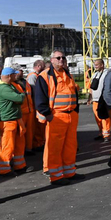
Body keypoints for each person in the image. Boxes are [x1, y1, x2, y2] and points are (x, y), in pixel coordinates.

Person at [34, 51, 83, 186]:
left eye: (63, 58)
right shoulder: (45, 76)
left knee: (70, 146)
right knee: (55, 147)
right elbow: (39, 98)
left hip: (71, 115)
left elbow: (73, 92)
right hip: (56, 116)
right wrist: (48, 115)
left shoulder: (67, 74)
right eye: (58, 58)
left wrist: (76, 111)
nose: (61, 60)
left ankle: (69, 172)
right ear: (52, 60)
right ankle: (56, 177)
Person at [0, 67, 36, 176]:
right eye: (13, 74)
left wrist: (20, 97)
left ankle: (19, 166)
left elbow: (19, 98)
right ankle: (4, 170)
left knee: (18, 144)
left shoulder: (9, 86)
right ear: (9, 76)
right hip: (7, 121)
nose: (15, 76)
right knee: (7, 146)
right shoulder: (4, 88)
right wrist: (22, 95)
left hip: (14, 119)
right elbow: (20, 98)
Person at [86, 59, 111, 142]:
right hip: (95, 100)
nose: (95, 66)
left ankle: (106, 134)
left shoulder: (107, 73)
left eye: (97, 65)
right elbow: (91, 88)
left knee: (104, 118)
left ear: (102, 65)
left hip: (103, 99)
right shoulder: (95, 74)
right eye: (95, 65)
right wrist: (90, 98)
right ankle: (101, 133)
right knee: (98, 118)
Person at [27, 60, 46, 151]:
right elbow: (34, 92)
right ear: (38, 66)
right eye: (43, 66)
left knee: (39, 125)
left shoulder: (35, 76)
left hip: (36, 104)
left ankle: (39, 142)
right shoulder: (33, 77)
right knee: (37, 126)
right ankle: (37, 143)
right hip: (35, 105)